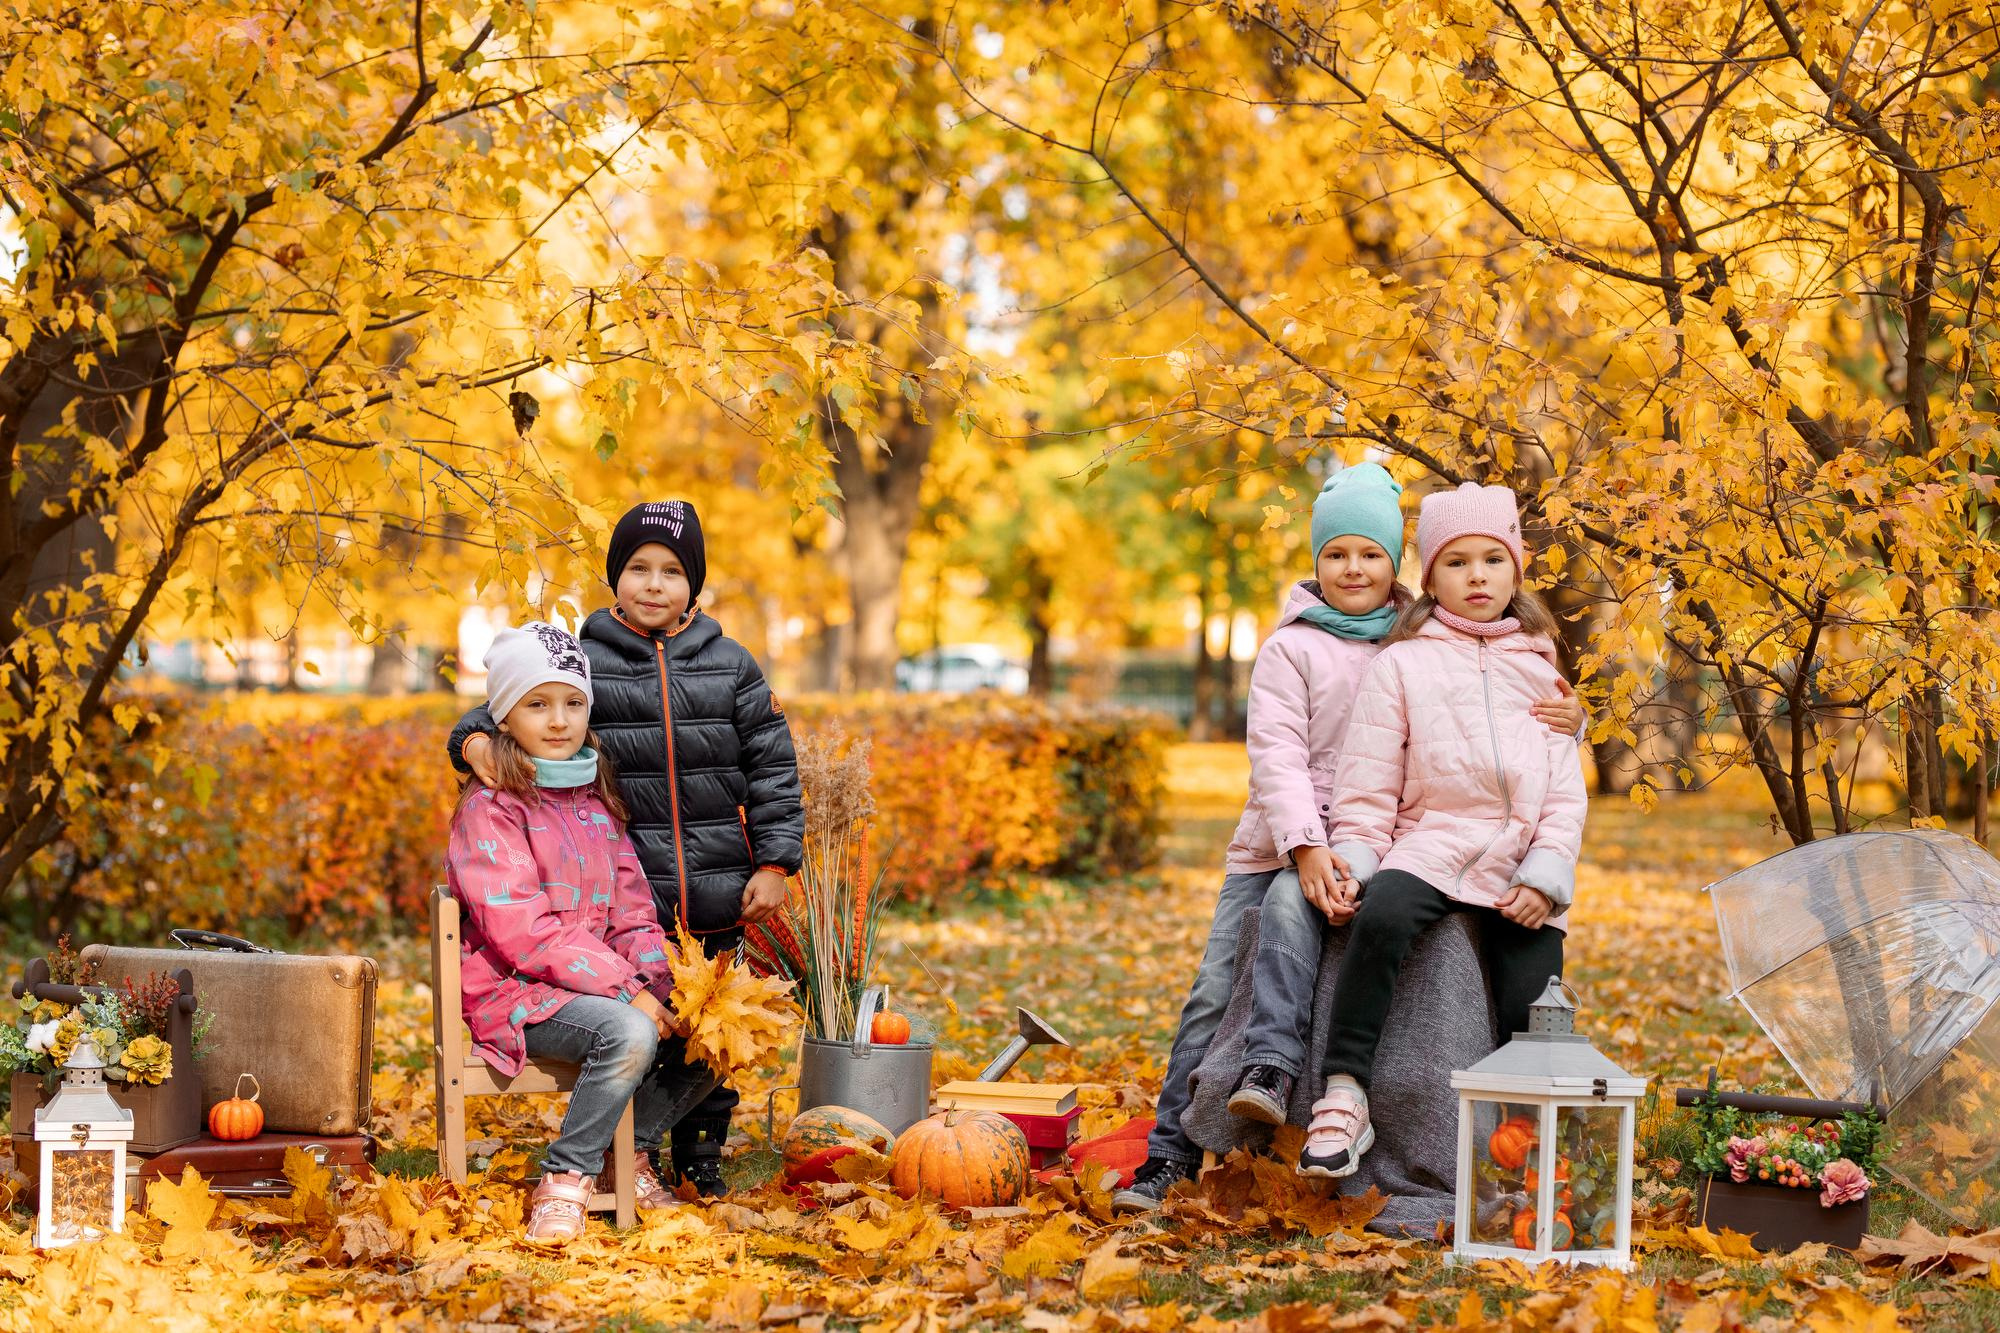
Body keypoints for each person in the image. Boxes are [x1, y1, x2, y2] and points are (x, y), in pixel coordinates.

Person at [1112, 467, 1583, 1212]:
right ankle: (1195, 1129)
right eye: (1337, 554)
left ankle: (1525, 1160)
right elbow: (1277, 756)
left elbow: (1511, 722)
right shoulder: (1295, 648)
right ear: (1317, 561)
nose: (1354, 568)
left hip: (1390, 840)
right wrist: (1306, 848)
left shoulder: (1423, 637)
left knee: (1511, 982)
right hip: (1290, 844)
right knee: (1220, 983)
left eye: (1371, 552)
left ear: (1399, 563)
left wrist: (1572, 718)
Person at [450, 501, 805, 1196]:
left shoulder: (731, 664)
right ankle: (618, 1157)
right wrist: (468, 738)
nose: (653, 583)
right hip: (619, 877)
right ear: (615, 577)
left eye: (672, 571)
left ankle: (695, 1155)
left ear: (694, 584)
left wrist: (774, 860)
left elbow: (772, 763)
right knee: (649, 1020)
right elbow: (519, 697)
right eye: (637, 568)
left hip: (713, 885)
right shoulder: (584, 653)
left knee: (718, 1026)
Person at [1298, 481, 1587, 1179]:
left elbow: (1562, 792)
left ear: (1516, 568)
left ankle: (1532, 1146)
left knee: (1533, 996)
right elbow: (1367, 784)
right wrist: (1356, 861)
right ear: (1429, 577)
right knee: (1382, 918)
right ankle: (1343, 1094)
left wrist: (1546, 878)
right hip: (1429, 845)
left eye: (1493, 559)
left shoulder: (1540, 666)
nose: (1477, 576)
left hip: (1517, 855)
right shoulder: (1402, 663)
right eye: (1457, 563)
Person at [447, 621, 716, 1243]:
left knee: (710, 1022)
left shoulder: (594, 802)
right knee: (628, 1029)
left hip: (595, 985)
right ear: (503, 718)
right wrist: (630, 994)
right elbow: (525, 933)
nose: (560, 720)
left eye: (573, 703)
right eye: (537, 704)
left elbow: (631, 915)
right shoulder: (491, 811)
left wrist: (665, 981)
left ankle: (632, 1153)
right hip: (516, 992)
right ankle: (566, 1177)